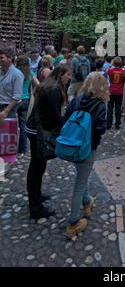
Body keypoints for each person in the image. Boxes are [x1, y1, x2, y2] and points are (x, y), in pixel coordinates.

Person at [64, 72, 108, 239]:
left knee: (82, 176)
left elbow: (66, 118)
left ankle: (87, 201)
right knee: (80, 183)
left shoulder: (76, 99)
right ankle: (73, 222)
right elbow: (101, 129)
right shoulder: (99, 104)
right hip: (87, 148)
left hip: (72, 145)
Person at [26, 65, 72, 219]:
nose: (69, 78)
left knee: (37, 165)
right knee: (37, 167)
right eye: (68, 75)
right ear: (61, 75)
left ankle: (36, 196)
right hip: (39, 131)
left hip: (35, 128)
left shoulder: (47, 85)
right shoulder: (53, 89)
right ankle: (35, 208)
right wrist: (66, 123)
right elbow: (54, 116)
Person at [16, 56, 39, 154]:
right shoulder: (31, 73)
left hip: (14, 100)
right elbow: (39, 85)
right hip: (26, 100)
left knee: (9, 124)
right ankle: (23, 148)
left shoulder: (15, 72)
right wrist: (32, 92)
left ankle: (9, 145)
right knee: (23, 125)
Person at [0, 46, 24, 120]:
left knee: (5, 131)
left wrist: (6, 111)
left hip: (8, 109)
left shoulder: (17, 74)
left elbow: (17, 96)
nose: (0, 60)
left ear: (10, 58)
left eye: (1, 58)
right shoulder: (0, 71)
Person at [107, 57, 125, 130]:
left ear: (114, 63)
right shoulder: (122, 71)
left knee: (110, 108)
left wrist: (110, 65)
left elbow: (105, 73)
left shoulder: (110, 70)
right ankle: (117, 124)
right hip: (119, 91)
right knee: (118, 108)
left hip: (111, 90)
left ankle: (108, 124)